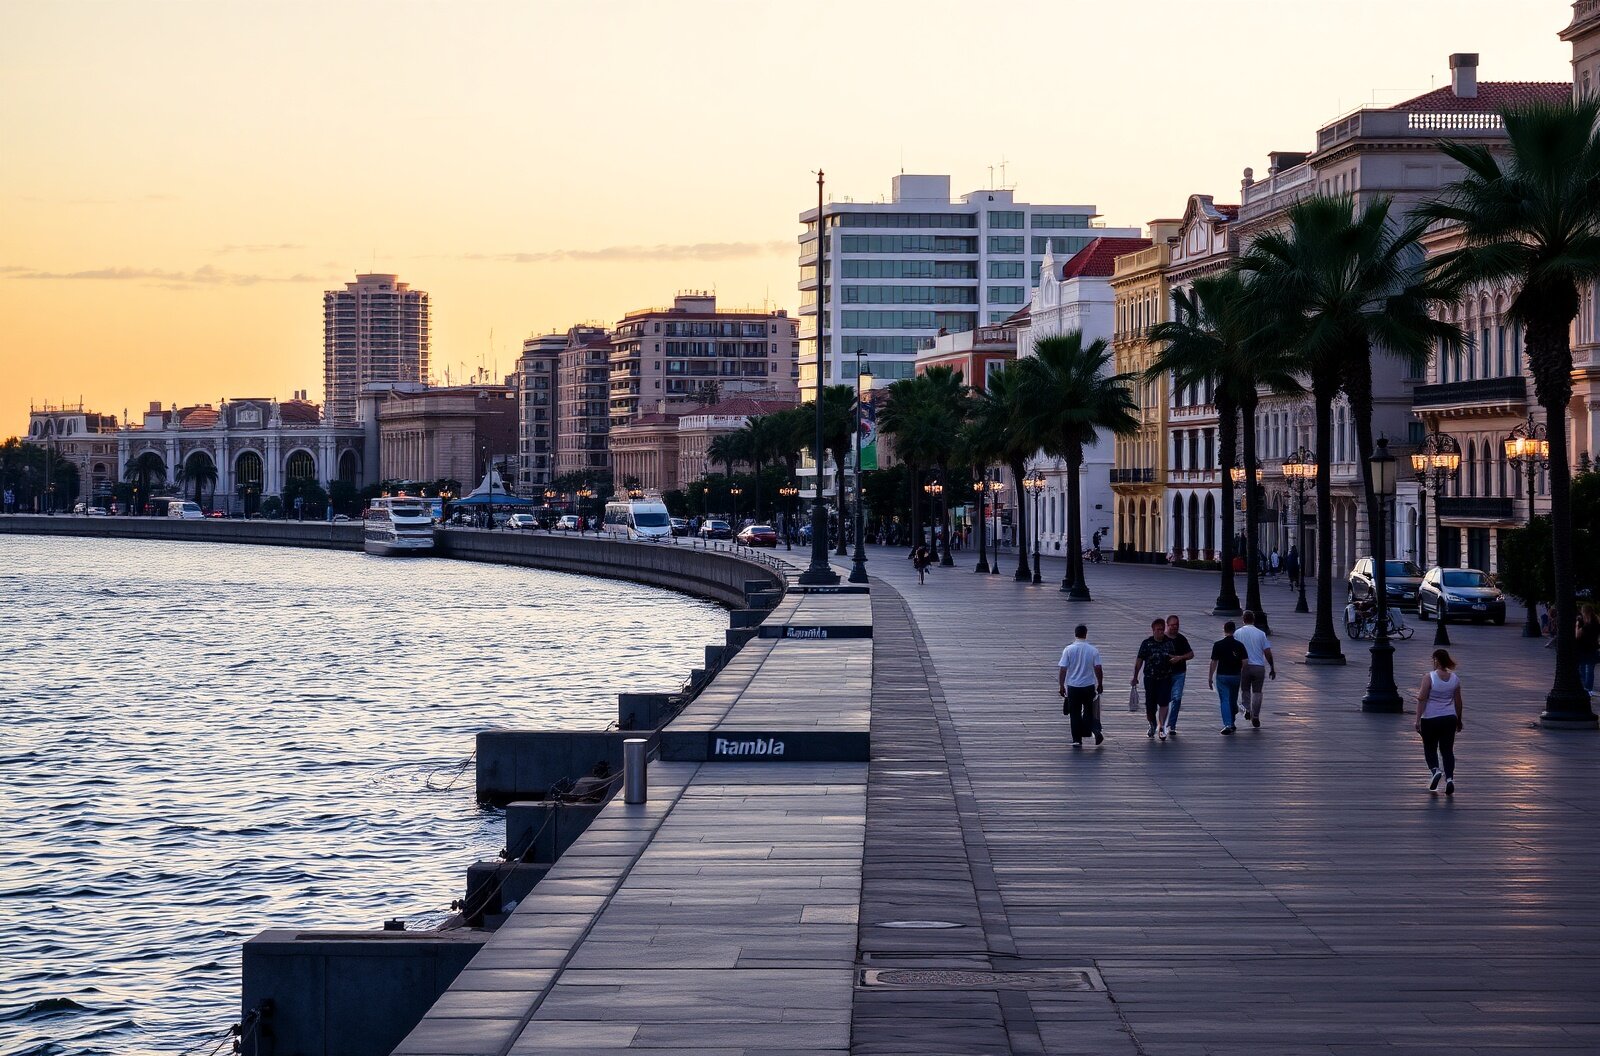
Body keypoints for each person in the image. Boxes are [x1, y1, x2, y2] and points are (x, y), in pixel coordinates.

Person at [1415, 648, 1464, 794]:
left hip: (1430, 718)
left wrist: (1417, 720)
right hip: (1449, 718)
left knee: (1430, 747)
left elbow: (1422, 699)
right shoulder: (1455, 679)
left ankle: (1435, 770)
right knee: (1447, 750)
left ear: (1436, 660)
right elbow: (1458, 702)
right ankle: (1449, 779)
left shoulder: (1429, 677)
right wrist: (1459, 719)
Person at [1057, 624, 1105, 747]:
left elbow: (1063, 669)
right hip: (1088, 686)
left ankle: (1077, 739)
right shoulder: (1093, 650)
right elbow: (1098, 668)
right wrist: (1100, 683)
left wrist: (1061, 685)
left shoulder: (1068, 649)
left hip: (1073, 686)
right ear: (1085, 634)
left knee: (1074, 713)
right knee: (1088, 711)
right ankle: (1091, 729)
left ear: (1075, 634)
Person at [1131, 618, 1177, 740]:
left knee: (1164, 702)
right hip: (1150, 678)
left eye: (1162, 629)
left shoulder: (1169, 643)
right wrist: (1135, 677)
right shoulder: (1146, 643)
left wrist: (1174, 659)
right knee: (1150, 706)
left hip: (1165, 678)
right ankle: (1152, 724)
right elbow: (1139, 660)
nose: (1160, 632)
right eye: (1158, 630)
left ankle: (1162, 727)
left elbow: (1174, 658)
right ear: (1153, 630)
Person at [1233, 610, 1275, 728]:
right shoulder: (1261, 634)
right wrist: (1272, 667)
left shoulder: (1237, 633)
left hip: (1243, 666)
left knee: (1245, 690)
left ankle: (1247, 709)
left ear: (1243, 619)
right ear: (1253, 619)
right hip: (1258, 667)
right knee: (1257, 692)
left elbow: (1234, 650)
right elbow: (1267, 652)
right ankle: (1255, 715)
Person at [1208, 621, 1249, 734]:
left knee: (1224, 700)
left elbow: (1214, 662)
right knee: (1232, 699)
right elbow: (1245, 661)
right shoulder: (1239, 645)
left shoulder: (1218, 645)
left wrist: (1210, 677)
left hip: (1222, 675)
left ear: (1224, 630)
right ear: (1234, 630)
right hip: (1235, 675)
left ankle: (1228, 724)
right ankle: (1233, 722)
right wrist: (1240, 670)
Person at [1163, 614, 1195, 735]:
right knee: (1164, 699)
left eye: (1177, 625)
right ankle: (1161, 723)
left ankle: (1171, 725)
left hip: (1179, 673)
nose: (1175, 627)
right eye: (1172, 625)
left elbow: (1191, 654)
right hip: (1164, 674)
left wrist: (1180, 658)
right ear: (1167, 625)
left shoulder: (1181, 639)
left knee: (1176, 698)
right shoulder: (1162, 639)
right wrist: (1170, 657)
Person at [1576, 603, 1599, 696]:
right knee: (1589, 669)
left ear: (1584, 612)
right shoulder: (1596, 621)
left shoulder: (1584, 623)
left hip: (1583, 648)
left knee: (1582, 668)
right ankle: (1589, 689)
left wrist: (1577, 625)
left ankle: (1584, 688)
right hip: (1592, 647)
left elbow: (1577, 635)